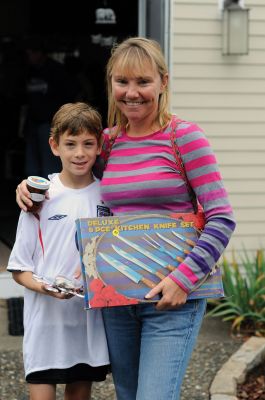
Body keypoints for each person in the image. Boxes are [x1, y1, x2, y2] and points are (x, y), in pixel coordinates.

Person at [15, 37, 236, 400]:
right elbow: (76, 181)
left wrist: (183, 280)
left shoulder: (185, 138)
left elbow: (221, 218)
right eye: (122, 82)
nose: (132, 93)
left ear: (163, 82)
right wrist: (30, 187)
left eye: (143, 82)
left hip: (171, 301)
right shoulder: (108, 143)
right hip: (117, 300)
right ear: (111, 84)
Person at [8, 102, 110, 400]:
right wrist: (46, 287)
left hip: (86, 324)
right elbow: (19, 269)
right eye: (70, 144)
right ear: (54, 146)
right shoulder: (38, 197)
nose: (80, 153)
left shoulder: (108, 195)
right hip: (45, 323)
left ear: (99, 146)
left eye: (88, 144)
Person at [21, 37, 80, 178]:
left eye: (32, 53)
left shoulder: (56, 70)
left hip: (50, 124)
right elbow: (24, 97)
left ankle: (50, 197)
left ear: (40, 53)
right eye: (27, 54)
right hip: (33, 122)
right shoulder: (30, 71)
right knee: (32, 168)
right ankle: (33, 197)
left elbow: (70, 95)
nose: (29, 57)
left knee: (50, 167)